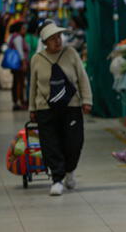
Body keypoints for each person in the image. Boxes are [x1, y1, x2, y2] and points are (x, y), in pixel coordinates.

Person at [29, 20, 93, 196]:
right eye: (52, 38)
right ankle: (57, 179)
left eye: (59, 36)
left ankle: (69, 171)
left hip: (71, 105)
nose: (57, 41)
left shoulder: (71, 53)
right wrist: (32, 108)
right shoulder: (37, 59)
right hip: (45, 108)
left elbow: (82, 77)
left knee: (74, 142)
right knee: (50, 143)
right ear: (45, 42)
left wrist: (87, 100)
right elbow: (33, 86)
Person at [7, 21, 30, 110]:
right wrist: (24, 63)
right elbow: (20, 51)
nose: (25, 30)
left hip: (16, 64)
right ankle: (19, 102)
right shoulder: (18, 37)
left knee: (17, 82)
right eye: (23, 28)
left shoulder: (13, 36)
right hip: (19, 64)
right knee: (19, 83)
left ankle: (17, 101)